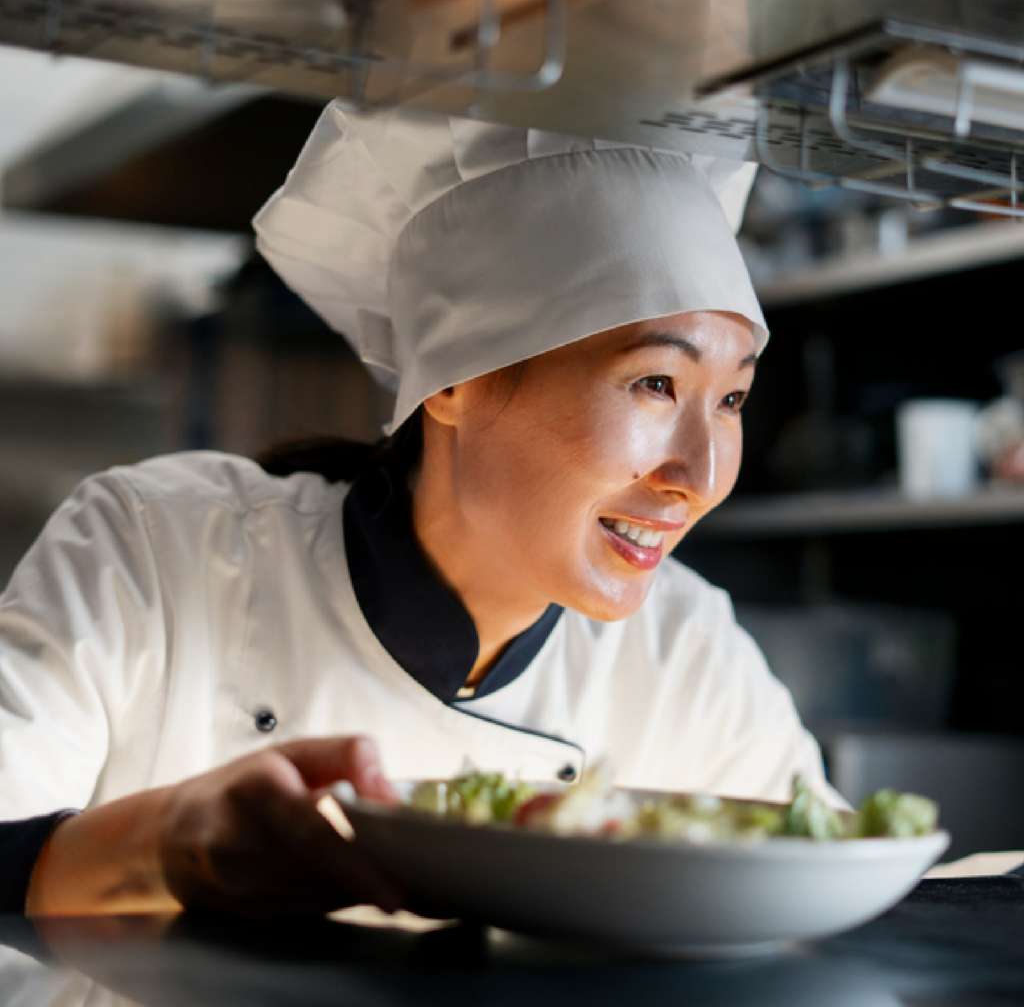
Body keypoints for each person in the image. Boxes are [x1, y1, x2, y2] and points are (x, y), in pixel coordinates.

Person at [0, 104, 840, 919]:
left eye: (731, 399)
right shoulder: (152, 547)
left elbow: (823, 888)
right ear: (454, 380)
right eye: (655, 383)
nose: (698, 476)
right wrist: (158, 846)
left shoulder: (685, 651)